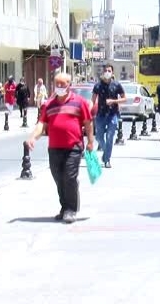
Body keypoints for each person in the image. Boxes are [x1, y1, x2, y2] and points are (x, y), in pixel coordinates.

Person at [27, 73, 94, 224]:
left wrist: (90, 142)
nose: (59, 87)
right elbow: (41, 124)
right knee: (59, 178)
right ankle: (64, 207)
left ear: (69, 85)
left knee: (69, 177)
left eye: (63, 84)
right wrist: (33, 137)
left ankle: (71, 209)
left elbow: (88, 123)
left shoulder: (79, 102)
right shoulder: (49, 105)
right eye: (57, 84)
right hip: (54, 148)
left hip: (74, 147)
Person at [91, 64, 126, 168]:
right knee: (98, 137)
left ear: (112, 73)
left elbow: (124, 98)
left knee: (110, 136)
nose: (107, 72)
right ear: (103, 72)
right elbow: (92, 100)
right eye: (105, 70)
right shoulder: (98, 85)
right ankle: (106, 153)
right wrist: (88, 111)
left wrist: (114, 101)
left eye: (109, 70)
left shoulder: (117, 85)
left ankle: (107, 159)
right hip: (100, 115)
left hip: (112, 115)